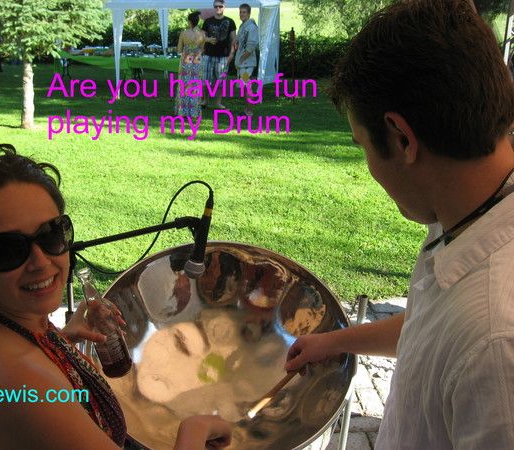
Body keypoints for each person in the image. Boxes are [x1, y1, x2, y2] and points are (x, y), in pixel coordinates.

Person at [285, 1, 514, 449]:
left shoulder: (494, 341)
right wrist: (336, 341)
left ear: (402, 138)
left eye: (362, 146)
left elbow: (471, 337)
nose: (369, 166)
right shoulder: (468, 210)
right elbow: (434, 329)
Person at [0, 144, 232, 450]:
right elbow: (23, 390)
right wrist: (194, 428)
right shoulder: (17, 380)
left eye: (51, 233)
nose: (40, 262)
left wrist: (61, 340)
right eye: (6, 249)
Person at [201, 0, 236, 109]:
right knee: (205, 80)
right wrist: (208, 39)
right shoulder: (207, 21)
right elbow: (202, 37)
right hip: (208, 55)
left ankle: (218, 103)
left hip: (223, 57)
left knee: (220, 81)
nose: (218, 8)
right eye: (216, 6)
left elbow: (234, 40)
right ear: (213, 7)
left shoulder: (230, 21)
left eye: (220, 6)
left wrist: (231, 54)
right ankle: (205, 101)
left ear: (224, 7)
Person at [175, 11, 205, 119]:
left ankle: (182, 111)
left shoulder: (184, 33)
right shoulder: (202, 34)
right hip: (197, 61)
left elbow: (179, 49)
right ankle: (193, 112)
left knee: (184, 84)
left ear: (189, 21)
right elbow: (202, 49)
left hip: (186, 60)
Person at [234, 3, 258, 117]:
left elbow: (250, 47)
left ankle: (249, 112)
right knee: (245, 86)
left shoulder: (252, 27)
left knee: (247, 86)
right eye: (240, 12)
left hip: (246, 63)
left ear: (249, 13)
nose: (241, 14)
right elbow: (240, 43)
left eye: (244, 12)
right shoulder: (243, 26)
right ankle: (246, 110)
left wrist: (240, 60)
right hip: (242, 64)